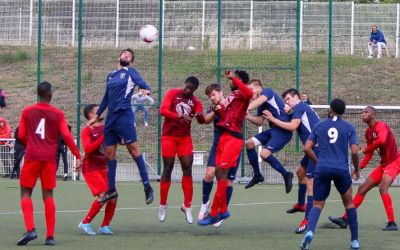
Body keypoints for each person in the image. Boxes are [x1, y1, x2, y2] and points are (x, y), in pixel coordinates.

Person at [16, 81, 81, 246]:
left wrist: (31, 144)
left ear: (38, 93)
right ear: (50, 94)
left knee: (25, 193)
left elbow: (21, 135)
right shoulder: (58, 114)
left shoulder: (27, 111)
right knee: (48, 195)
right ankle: (50, 236)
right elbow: (66, 135)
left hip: (32, 156)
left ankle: (31, 229)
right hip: (50, 158)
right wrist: (77, 154)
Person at [88, 48, 154, 205]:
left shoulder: (130, 71)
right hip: (110, 119)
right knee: (109, 155)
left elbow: (143, 84)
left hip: (124, 116)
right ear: (119, 57)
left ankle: (147, 186)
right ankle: (111, 190)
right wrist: (95, 118)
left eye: (129, 55)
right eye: (125, 53)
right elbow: (105, 99)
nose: (126, 55)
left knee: (134, 150)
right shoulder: (110, 76)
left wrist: (146, 90)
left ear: (131, 61)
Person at [300, 98, 360, 250]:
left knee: (318, 204)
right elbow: (354, 151)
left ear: (330, 109)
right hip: (341, 169)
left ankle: (310, 233)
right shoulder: (349, 127)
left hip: (322, 169)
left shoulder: (319, 125)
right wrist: (357, 168)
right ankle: (354, 241)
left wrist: (318, 161)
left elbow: (307, 148)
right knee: (349, 203)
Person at [328, 106, 400, 231]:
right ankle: (345, 220)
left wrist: (366, 149)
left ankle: (392, 223)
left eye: (366, 112)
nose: (363, 114)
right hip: (383, 165)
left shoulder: (381, 126)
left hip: (395, 162)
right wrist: (358, 168)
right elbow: (370, 153)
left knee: (383, 188)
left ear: (373, 115)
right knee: (362, 189)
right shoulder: (368, 132)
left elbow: (382, 140)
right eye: (362, 112)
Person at [198, 70, 253, 226]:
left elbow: (249, 92)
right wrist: (199, 115)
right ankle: (222, 211)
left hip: (234, 138)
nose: (231, 81)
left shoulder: (243, 95)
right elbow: (211, 115)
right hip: (223, 138)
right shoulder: (229, 97)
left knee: (224, 175)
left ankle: (215, 213)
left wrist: (234, 78)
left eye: (235, 80)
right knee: (219, 174)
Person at [263, 88, 320, 234]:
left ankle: (307, 221)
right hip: (312, 148)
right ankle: (301, 204)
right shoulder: (301, 108)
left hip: (318, 149)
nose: (286, 102)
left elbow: (293, 127)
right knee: (300, 172)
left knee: (310, 183)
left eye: (288, 99)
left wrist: (272, 119)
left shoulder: (300, 107)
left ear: (296, 97)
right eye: (285, 100)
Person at [158, 76, 204, 224]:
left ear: (195, 90)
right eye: (187, 87)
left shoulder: (196, 101)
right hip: (169, 137)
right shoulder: (173, 93)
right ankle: (163, 204)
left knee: (187, 168)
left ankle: (187, 206)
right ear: (184, 84)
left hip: (184, 138)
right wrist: (178, 116)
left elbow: (200, 114)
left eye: (191, 89)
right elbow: (163, 110)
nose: (188, 90)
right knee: (168, 167)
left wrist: (199, 114)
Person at [197, 83, 240, 227]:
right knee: (209, 174)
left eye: (213, 94)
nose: (211, 98)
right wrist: (212, 111)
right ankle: (205, 203)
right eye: (209, 96)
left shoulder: (233, 103)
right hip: (218, 146)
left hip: (232, 145)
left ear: (221, 92)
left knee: (228, 180)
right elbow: (206, 120)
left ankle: (222, 212)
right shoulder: (213, 108)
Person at [244, 79, 294, 192]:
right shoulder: (261, 105)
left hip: (283, 131)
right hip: (274, 131)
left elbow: (257, 102)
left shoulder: (268, 92)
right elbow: (259, 122)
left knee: (264, 154)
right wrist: (248, 116)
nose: (249, 93)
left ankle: (286, 174)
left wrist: (245, 108)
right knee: (249, 144)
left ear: (259, 87)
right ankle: (257, 175)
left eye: (251, 90)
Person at [78, 104, 117, 236]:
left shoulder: (106, 128)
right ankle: (85, 222)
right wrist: (102, 137)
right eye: (98, 110)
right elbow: (88, 149)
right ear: (91, 115)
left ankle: (104, 226)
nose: (101, 111)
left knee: (113, 196)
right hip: (91, 168)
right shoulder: (87, 131)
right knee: (103, 195)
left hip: (103, 166)